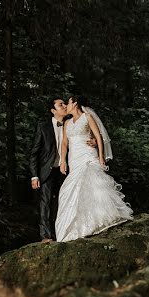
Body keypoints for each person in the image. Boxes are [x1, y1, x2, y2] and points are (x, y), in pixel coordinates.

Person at [55, 96, 133, 242]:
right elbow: (64, 143)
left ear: (76, 104)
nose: (67, 105)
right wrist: (62, 160)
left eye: (69, 102)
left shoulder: (87, 117)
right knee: (72, 188)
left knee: (93, 182)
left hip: (88, 155)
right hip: (74, 159)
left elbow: (99, 137)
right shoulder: (67, 123)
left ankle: (102, 218)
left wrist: (101, 156)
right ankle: (78, 226)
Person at [29, 98, 96, 242]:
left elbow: (87, 134)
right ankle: (45, 236)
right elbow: (34, 152)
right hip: (47, 170)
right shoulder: (43, 126)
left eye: (65, 104)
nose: (65, 106)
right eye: (61, 105)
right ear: (53, 110)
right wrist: (34, 176)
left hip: (65, 169)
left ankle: (63, 232)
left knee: (64, 201)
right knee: (45, 202)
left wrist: (95, 141)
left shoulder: (71, 122)